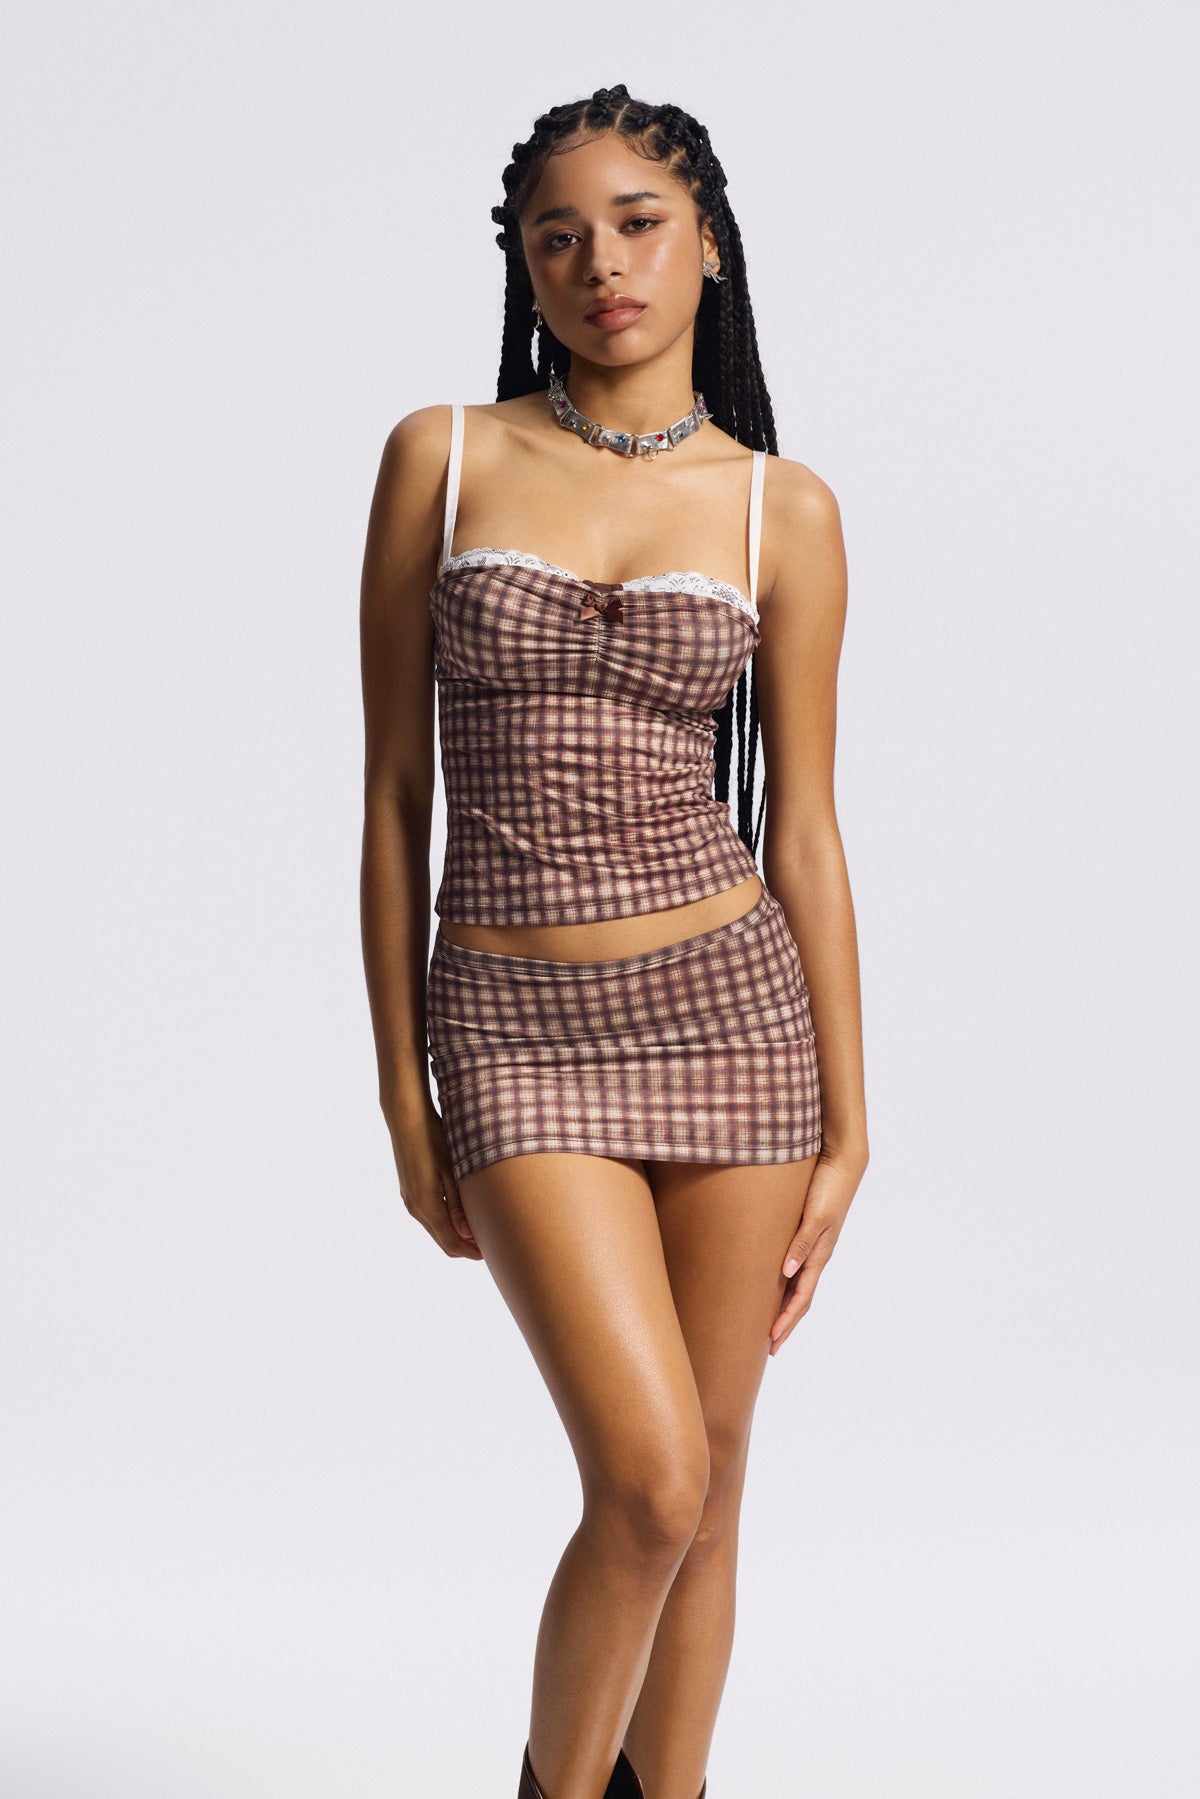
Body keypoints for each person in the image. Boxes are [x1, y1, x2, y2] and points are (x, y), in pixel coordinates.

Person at [359, 83, 869, 1799]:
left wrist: (852, 1124)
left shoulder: (781, 509)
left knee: (707, 1489)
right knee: (645, 1479)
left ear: (709, 245)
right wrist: (405, 1093)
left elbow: (805, 830)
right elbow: (393, 798)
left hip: (736, 1020)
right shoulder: (442, 459)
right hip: (513, 1027)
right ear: (523, 263)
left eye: (639, 224)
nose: (602, 265)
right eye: (558, 236)